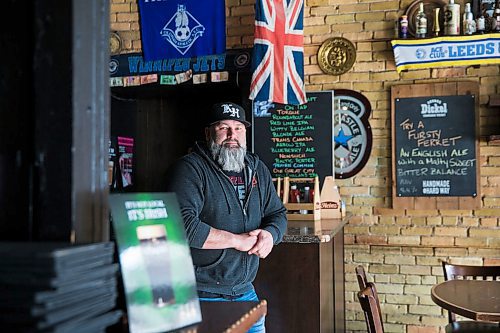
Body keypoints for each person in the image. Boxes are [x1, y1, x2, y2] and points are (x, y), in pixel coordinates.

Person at [165, 101, 287, 333]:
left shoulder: (256, 168)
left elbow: (277, 213)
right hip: (201, 294)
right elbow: (182, 224)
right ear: (208, 132)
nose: (232, 135)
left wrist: (270, 235)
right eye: (224, 127)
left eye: (238, 128)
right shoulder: (190, 169)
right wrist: (237, 240)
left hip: (245, 291)